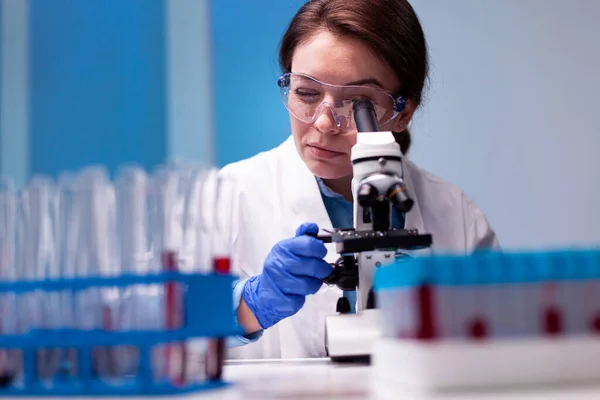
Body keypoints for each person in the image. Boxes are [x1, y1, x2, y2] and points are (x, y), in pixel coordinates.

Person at [220, 0, 499, 359]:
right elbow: (152, 327)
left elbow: (499, 348)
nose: (323, 122)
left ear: (403, 112)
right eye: (306, 93)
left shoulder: (457, 218)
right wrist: (247, 306)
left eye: (358, 103)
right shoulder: (231, 195)